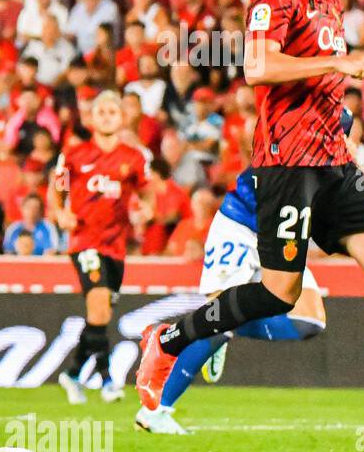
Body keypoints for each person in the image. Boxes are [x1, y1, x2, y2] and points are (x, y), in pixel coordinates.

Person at [135, 0, 364, 449]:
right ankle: (168, 338)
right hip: (287, 165)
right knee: (278, 294)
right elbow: (259, 68)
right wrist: (338, 62)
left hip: (334, 164)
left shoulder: (329, 7)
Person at [139, 167, 329, 434]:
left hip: (282, 235)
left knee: (309, 322)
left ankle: (219, 327)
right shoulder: (294, 138)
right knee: (219, 321)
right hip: (241, 227)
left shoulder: (334, 155)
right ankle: (155, 411)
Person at [48, 90, 152, 403]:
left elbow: (147, 193)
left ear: (123, 118)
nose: (106, 116)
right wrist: (61, 213)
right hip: (84, 240)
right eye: (101, 111)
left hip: (116, 245)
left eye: (112, 112)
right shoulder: (75, 154)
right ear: (91, 118)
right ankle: (107, 380)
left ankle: (73, 372)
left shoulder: (133, 158)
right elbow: (57, 190)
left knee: (101, 312)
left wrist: (145, 209)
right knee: (98, 302)